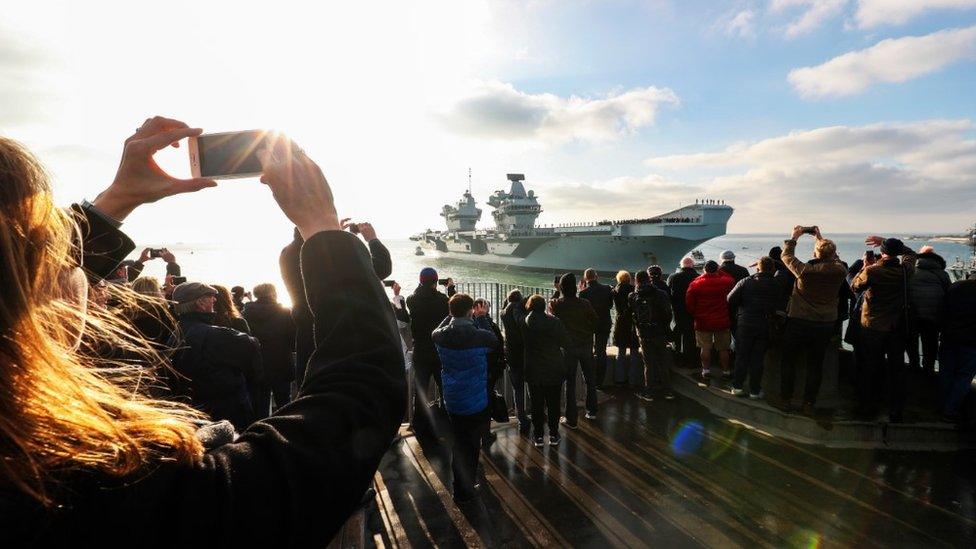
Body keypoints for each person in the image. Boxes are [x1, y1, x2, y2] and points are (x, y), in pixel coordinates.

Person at [0, 122, 406, 545]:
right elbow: (362, 389)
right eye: (54, 245)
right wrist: (322, 225)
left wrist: (117, 200)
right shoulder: (104, 487)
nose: (76, 265)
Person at [280, 218, 392, 386]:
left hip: (305, 335)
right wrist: (372, 240)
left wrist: (333, 236)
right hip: (335, 339)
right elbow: (381, 268)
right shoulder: (324, 252)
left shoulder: (287, 252)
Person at [168, 282, 263, 430]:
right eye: (210, 296)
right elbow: (252, 346)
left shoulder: (176, 333)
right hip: (226, 414)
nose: (215, 300)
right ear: (200, 303)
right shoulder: (213, 334)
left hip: (196, 412)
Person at [775, 226, 847, 415]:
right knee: (816, 365)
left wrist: (794, 237)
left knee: (789, 361)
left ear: (816, 253)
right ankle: (809, 403)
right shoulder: (840, 270)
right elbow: (835, 259)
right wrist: (820, 239)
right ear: (833, 253)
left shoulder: (805, 271)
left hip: (799, 320)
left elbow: (786, 256)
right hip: (824, 323)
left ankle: (786, 399)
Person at [432, 294, 497, 503]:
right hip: (476, 400)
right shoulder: (480, 337)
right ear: (471, 311)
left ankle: (458, 487)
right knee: (472, 445)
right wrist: (482, 317)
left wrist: (451, 316)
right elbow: (493, 340)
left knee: (459, 442)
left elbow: (434, 332)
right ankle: (467, 487)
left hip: (453, 399)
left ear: (451, 312)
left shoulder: (441, 337)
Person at [850, 236, 917, 422]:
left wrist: (865, 265)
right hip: (896, 327)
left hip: (873, 326)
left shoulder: (873, 271)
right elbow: (911, 254)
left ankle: (868, 406)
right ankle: (896, 410)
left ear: (882, 252)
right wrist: (886, 241)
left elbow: (855, 286)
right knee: (897, 369)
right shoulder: (906, 269)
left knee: (871, 367)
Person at [522, 295, 572, 446]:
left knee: (536, 404)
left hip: (533, 368)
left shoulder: (524, 323)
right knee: (553, 403)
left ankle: (538, 436)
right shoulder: (555, 322)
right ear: (544, 306)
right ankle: (554, 434)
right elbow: (566, 342)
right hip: (553, 367)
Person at [406, 267, 451, 436]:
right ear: (435, 282)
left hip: (420, 351)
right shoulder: (442, 300)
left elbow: (413, 298)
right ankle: (446, 421)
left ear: (420, 281)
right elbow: (453, 307)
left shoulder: (412, 300)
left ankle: (419, 424)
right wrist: (450, 289)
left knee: (421, 389)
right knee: (444, 387)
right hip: (439, 350)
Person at [727, 256, 779, 399]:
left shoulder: (745, 282)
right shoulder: (776, 283)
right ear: (773, 269)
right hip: (764, 324)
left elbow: (730, 299)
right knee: (758, 359)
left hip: (745, 322)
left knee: (742, 356)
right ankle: (755, 391)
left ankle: (737, 387)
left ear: (758, 267)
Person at [550, 273, 599, 425]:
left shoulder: (558, 304)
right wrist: (587, 332)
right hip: (585, 345)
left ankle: (571, 418)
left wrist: (557, 291)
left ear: (562, 287)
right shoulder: (585, 303)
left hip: (568, 348)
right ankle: (592, 411)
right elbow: (596, 322)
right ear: (576, 287)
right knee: (590, 380)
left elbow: (551, 314)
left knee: (570, 383)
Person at [243, 283, 297, 417]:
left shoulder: (246, 314)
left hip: (256, 367)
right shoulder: (284, 312)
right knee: (285, 406)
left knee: (260, 408)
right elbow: (293, 340)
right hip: (281, 365)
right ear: (273, 293)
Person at [685, 260, 735, 379]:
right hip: (722, 320)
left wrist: (696, 314)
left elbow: (689, 303)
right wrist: (719, 271)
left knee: (705, 347)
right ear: (717, 269)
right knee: (723, 348)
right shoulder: (726, 281)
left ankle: (706, 371)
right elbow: (730, 278)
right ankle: (726, 371)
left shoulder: (696, 283)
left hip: (703, 321)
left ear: (704, 269)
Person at [629, 270, 674, 401]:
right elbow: (668, 314)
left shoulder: (633, 296)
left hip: (643, 333)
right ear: (649, 279)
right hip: (659, 332)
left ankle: (649, 392)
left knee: (648, 364)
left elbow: (632, 314)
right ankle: (668, 391)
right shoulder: (661, 294)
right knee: (662, 362)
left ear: (636, 280)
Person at [939, 277, 976, 424]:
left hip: (949, 337)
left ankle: (943, 406)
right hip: (971, 341)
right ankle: (950, 410)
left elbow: (941, 309)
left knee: (946, 373)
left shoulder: (955, 287)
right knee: (964, 377)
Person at [908, 246, 950, 374]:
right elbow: (949, 293)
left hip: (912, 314)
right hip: (933, 316)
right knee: (930, 345)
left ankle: (914, 366)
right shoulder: (942, 274)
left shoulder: (910, 271)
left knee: (911, 343)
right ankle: (929, 369)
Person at [473, 297, 505, 447]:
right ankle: (485, 434)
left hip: (476, 370)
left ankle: (476, 433)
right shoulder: (490, 325)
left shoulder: (469, 324)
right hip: (488, 370)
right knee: (485, 403)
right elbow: (496, 344)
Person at [500, 290, 530, 432]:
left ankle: (521, 418)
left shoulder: (504, 313)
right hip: (525, 354)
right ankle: (536, 413)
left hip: (512, 355)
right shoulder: (521, 313)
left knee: (517, 389)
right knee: (532, 385)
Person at [579, 268, 614, 388]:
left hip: (589, 325)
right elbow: (610, 305)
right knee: (601, 352)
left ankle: (589, 379)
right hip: (604, 323)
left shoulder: (583, 293)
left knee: (588, 352)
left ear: (585, 278)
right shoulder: (607, 288)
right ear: (597, 276)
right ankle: (600, 381)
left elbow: (583, 311)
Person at [668, 257, 700, 369]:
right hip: (694, 311)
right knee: (692, 335)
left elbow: (669, 294)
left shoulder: (673, 277)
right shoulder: (698, 277)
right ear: (693, 265)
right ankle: (692, 360)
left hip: (678, 310)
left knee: (678, 332)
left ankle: (678, 357)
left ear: (681, 265)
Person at [612, 271, 641, 386]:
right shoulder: (634, 290)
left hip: (621, 323)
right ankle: (633, 380)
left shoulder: (615, 291)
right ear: (629, 279)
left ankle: (620, 379)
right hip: (632, 324)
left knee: (621, 352)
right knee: (634, 352)